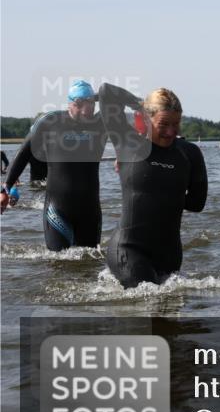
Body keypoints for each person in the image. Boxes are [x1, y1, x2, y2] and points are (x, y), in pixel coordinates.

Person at [99, 83, 207, 288]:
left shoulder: (190, 153)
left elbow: (197, 203)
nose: (170, 132)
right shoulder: (128, 142)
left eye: (176, 124)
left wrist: (164, 191)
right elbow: (106, 92)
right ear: (147, 119)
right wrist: (141, 104)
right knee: (148, 307)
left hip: (170, 254)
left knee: (171, 315)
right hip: (129, 250)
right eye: (163, 124)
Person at [1, 80, 108, 250]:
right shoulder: (50, 122)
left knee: (89, 264)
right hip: (58, 209)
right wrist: (5, 189)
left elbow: (117, 104)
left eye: (90, 104)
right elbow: (23, 153)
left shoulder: (101, 124)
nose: (86, 111)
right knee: (58, 263)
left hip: (90, 211)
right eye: (80, 104)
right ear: (71, 104)